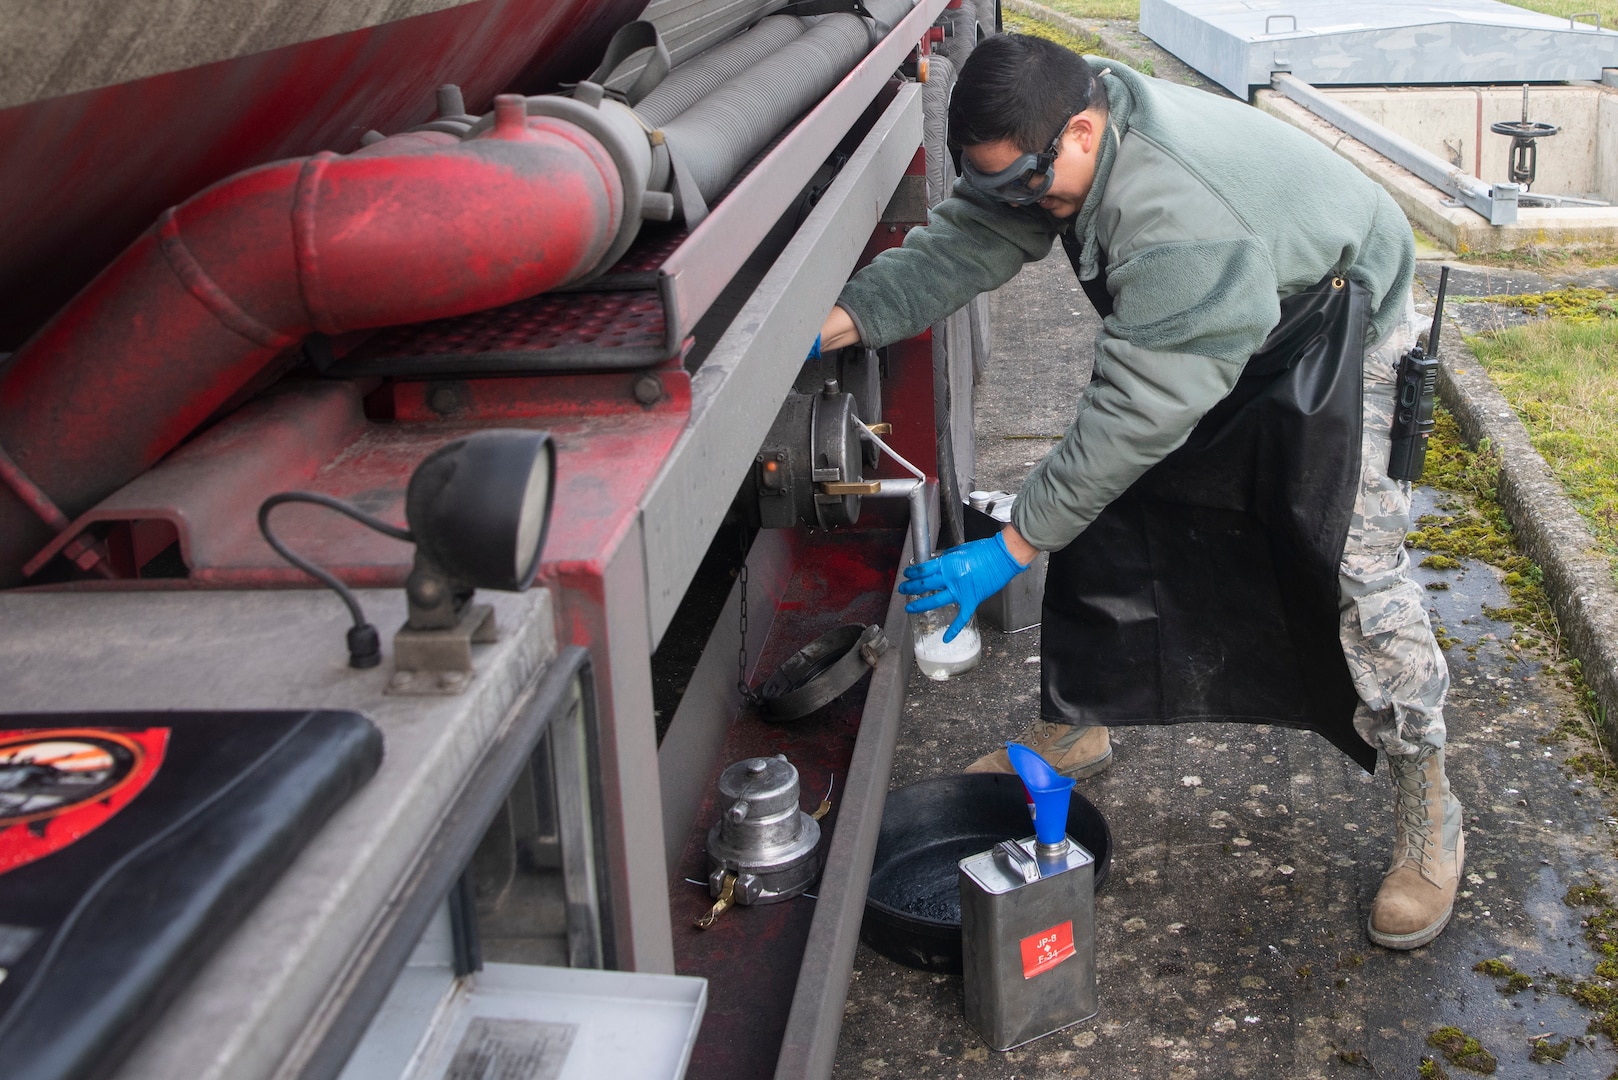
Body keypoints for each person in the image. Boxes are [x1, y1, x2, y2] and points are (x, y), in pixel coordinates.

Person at [815, 34, 1459, 950]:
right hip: (1234, 305)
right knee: (1106, 506)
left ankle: (1427, 798)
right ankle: (1080, 728)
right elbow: (967, 241)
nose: (1015, 204)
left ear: (1082, 130)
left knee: (1352, 567)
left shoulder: (1178, 221)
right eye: (992, 185)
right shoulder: (1058, 144)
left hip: (1341, 329)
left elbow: (1136, 413)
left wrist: (1013, 544)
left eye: (1024, 186)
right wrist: (837, 323)